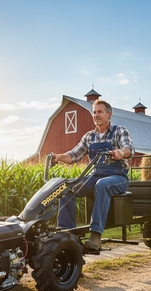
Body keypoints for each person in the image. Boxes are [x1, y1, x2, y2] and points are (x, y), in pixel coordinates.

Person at [53, 99, 135, 251]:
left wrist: (120, 152)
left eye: (100, 112)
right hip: (95, 176)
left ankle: (96, 236)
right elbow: (73, 155)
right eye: (94, 112)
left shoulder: (119, 131)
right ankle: (67, 234)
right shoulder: (89, 136)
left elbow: (129, 149)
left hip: (117, 177)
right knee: (65, 187)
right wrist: (58, 157)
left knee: (102, 184)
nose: (96, 115)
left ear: (109, 115)